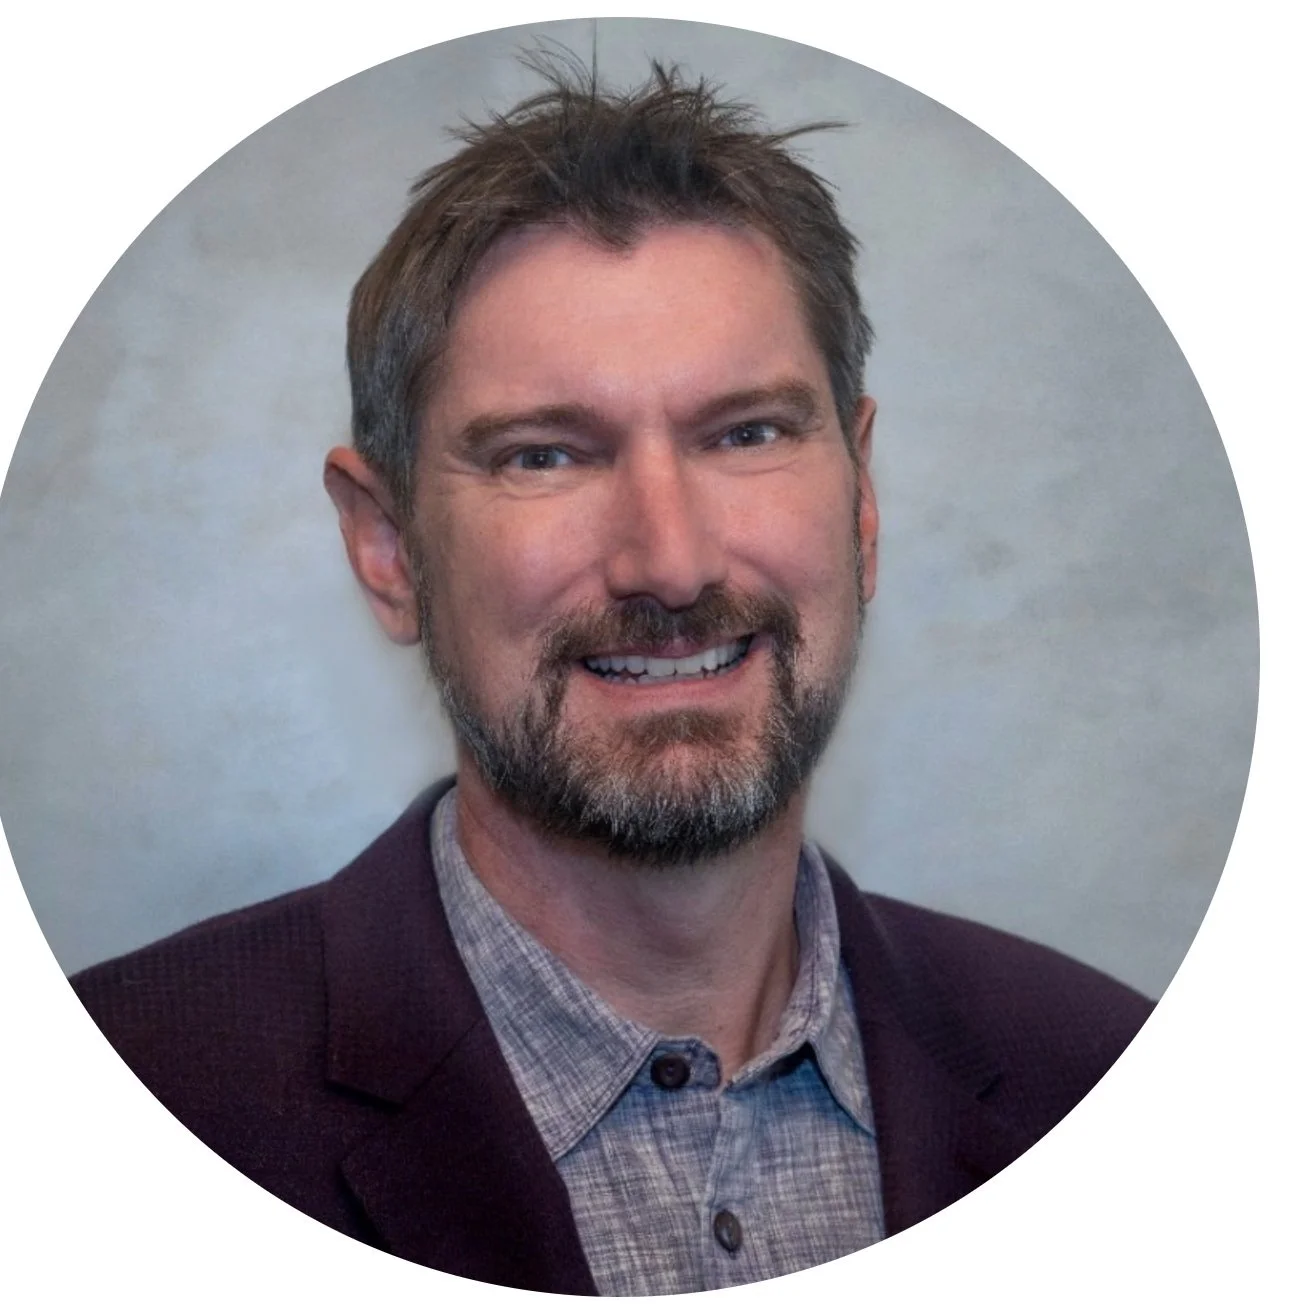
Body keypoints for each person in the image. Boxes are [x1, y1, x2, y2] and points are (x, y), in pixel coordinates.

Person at [72, 56, 1151, 1295]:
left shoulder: (1105, 1081)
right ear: (387, 549)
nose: (672, 561)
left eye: (746, 434)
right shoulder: (122, 1103)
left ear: (861, 503)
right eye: (546, 456)